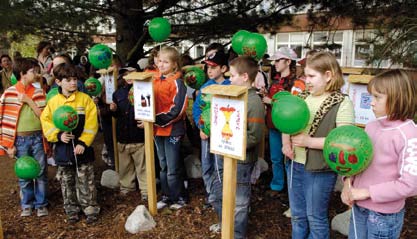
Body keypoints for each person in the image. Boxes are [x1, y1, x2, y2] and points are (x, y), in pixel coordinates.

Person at [282, 51, 354, 238]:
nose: (307, 80)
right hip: (294, 164)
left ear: (329, 75)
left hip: (319, 169)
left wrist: (309, 142)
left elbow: (344, 141)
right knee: (297, 216)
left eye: (312, 76)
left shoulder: (342, 102)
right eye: (306, 75)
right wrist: (285, 143)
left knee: (315, 217)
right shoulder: (303, 97)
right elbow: (286, 121)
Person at [341, 69, 417, 239]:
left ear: (398, 98)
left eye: (377, 97)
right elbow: (358, 162)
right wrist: (347, 182)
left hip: (384, 215)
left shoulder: (409, 135)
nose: (371, 103)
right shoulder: (372, 126)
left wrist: (366, 192)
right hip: (359, 207)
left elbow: (410, 184)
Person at [209, 56, 265, 238]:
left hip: (241, 161)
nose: (229, 79)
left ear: (245, 77)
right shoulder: (233, 94)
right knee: (217, 195)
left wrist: (231, 144)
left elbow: (254, 136)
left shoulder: (254, 102)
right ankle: (226, 225)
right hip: (224, 156)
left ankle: (237, 234)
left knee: (239, 202)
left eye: (232, 76)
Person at [40, 63, 100, 224]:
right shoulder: (53, 102)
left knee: (86, 180)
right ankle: (71, 209)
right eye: (68, 80)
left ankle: (90, 209)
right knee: (67, 181)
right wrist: (58, 135)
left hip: (82, 150)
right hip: (63, 150)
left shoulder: (85, 100)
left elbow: (92, 123)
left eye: (75, 79)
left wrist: (83, 142)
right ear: (58, 82)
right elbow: (45, 121)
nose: (73, 83)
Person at [0, 57, 48, 217]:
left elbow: (44, 116)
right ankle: (27, 203)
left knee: (40, 172)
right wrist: (8, 145)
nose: (36, 74)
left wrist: (28, 100)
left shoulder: (39, 92)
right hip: (19, 140)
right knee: (24, 173)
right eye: (33, 71)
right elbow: (4, 120)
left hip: (37, 137)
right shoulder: (10, 93)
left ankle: (41, 204)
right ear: (22, 74)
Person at [192, 50, 230, 208]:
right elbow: (197, 110)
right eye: (208, 67)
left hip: (224, 136)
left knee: (221, 166)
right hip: (207, 135)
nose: (210, 71)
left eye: (214, 67)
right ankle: (211, 194)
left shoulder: (231, 86)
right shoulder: (205, 88)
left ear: (223, 69)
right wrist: (201, 127)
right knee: (207, 164)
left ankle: (222, 194)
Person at [153, 46, 188, 210]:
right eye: (159, 61)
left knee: (173, 167)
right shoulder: (154, 79)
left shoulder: (178, 82)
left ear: (174, 65)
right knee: (163, 165)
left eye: (165, 62)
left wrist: (158, 119)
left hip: (172, 129)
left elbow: (178, 109)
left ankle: (179, 197)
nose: (161, 64)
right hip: (156, 129)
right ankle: (166, 195)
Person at [262, 47, 298, 192]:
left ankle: (291, 188)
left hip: (289, 127)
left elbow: (295, 105)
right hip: (273, 125)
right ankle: (278, 184)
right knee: (275, 158)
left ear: (288, 61)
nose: (275, 63)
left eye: (278, 60)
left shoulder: (296, 83)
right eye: (274, 60)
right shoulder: (275, 79)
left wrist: (271, 102)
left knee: (289, 158)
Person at [109, 68, 148, 200]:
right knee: (125, 166)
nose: (129, 76)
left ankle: (146, 189)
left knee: (142, 166)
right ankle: (126, 187)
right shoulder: (118, 94)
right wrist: (113, 110)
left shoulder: (144, 90)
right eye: (126, 75)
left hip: (138, 136)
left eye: (132, 73)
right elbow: (116, 114)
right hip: (123, 136)